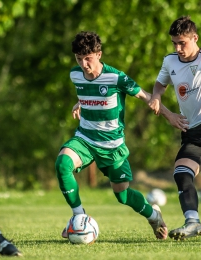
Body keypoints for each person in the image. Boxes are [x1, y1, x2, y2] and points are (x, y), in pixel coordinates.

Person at [54, 31, 182, 241]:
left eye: (88, 59)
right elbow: (86, 91)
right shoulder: (74, 74)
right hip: (85, 139)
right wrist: (80, 103)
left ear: (99, 54)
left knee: (122, 195)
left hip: (112, 146)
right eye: (79, 59)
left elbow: (146, 96)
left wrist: (169, 115)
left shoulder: (116, 77)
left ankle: (153, 215)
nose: (84, 64)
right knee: (62, 164)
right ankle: (79, 217)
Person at [149, 16, 201, 240]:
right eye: (174, 43)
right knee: (182, 173)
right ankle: (192, 222)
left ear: (195, 38)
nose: (178, 48)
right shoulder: (170, 61)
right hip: (192, 133)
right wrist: (156, 97)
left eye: (182, 42)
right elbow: (160, 84)